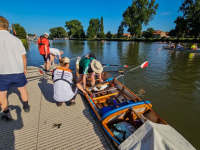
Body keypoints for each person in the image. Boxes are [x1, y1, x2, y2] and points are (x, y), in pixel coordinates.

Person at [0, 16, 30, 122]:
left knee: (2, 93)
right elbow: (23, 57)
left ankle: (7, 114)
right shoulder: (16, 40)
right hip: (17, 70)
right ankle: (26, 106)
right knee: (22, 89)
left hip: (2, 72)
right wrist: (24, 68)